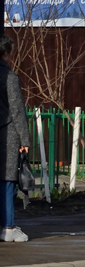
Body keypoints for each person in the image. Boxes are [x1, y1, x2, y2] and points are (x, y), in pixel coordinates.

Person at [0, 35, 31, 243]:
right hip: (8, 134)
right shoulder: (10, 77)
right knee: (8, 181)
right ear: (7, 53)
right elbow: (18, 111)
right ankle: (9, 227)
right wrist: (25, 140)